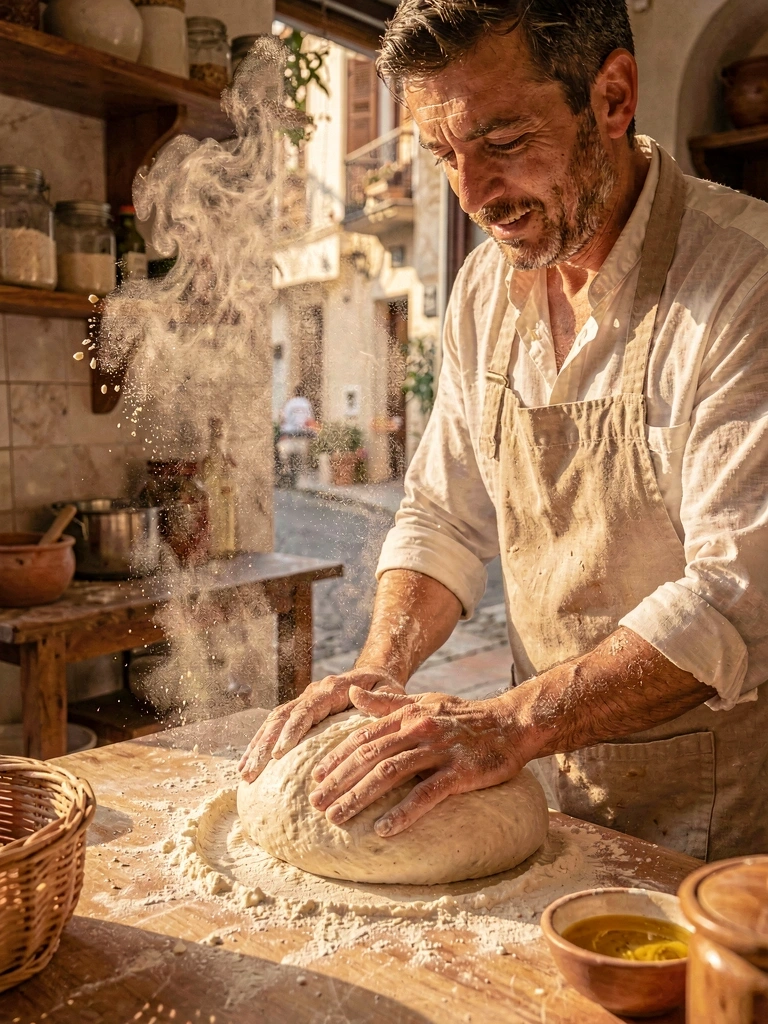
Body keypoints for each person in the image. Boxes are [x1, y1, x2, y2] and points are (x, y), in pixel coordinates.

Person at [242, 0, 768, 862]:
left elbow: (737, 599)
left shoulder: (744, 281)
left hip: (717, 814)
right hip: (543, 777)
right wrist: (381, 664)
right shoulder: (487, 290)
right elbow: (444, 516)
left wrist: (510, 721)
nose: (475, 194)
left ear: (612, 96)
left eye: (505, 141)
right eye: (446, 154)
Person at [277, 383, 316, 487]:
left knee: (283, 452)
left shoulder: (290, 403)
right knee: (303, 459)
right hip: (302, 434)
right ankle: (303, 481)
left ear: (294, 393)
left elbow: (283, 419)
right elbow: (309, 419)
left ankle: (286, 468)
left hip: (290, 434)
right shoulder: (306, 403)